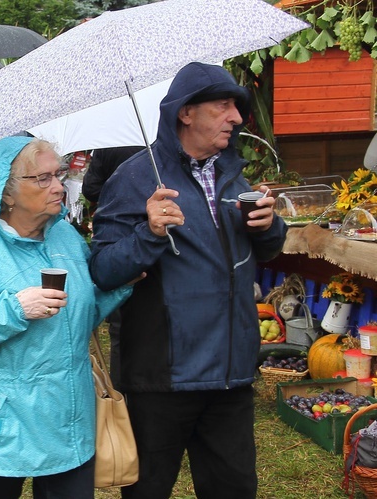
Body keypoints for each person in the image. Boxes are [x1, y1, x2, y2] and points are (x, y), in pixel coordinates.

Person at [89, 62, 288, 498]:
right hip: (163, 376)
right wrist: (149, 233)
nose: (236, 118)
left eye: (236, 108)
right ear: (185, 113)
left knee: (233, 489)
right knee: (148, 490)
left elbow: (268, 249)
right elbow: (102, 270)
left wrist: (267, 227)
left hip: (230, 372)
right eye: (223, 106)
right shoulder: (135, 179)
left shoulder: (231, 174)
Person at [0, 136, 137, 498]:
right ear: (6, 192)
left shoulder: (64, 237)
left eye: (60, 174)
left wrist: (118, 285)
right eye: (42, 178)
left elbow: (76, 318)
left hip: (66, 418)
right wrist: (13, 309)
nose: (59, 186)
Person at [81, 145, 143, 387]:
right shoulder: (167, 144)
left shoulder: (109, 145)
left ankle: (121, 390)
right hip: (142, 240)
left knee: (121, 327)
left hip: (120, 234)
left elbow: (91, 188)